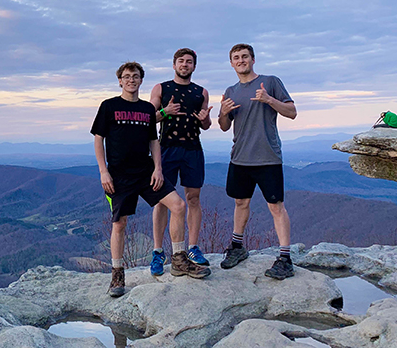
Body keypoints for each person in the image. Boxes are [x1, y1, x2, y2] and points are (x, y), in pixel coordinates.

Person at [92, 61, 210, 298]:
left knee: (178, 205)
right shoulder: (109, 106)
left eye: (135, 76)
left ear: (140, 80)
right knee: (119, 224)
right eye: (126, 77)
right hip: (119, 175)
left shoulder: (147, 110)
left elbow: (154, 141)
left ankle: (178, 259)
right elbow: (98, 138)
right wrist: (103, 171)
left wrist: (158, 168)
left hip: (146, 171)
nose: (131, 80)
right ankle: (117, 273)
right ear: (120, 81)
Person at [218, 44, 298, 280]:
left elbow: (292, 112)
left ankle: (285, 258)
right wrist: (222, 112)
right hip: (240, 157)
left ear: (253, 60)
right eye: (236, 58)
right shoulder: (230, 90)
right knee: (240, 202)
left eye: (245, 56)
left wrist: (269, 99)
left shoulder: (270, 82)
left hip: (267, 157)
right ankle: (237, 247)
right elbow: (223, 127)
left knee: (276, 207)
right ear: (231, 64)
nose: (241, 60)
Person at [148, 48, 213, 276]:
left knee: (193, 198)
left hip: (193, 148)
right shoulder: (161, 88)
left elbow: (206, 124)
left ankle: (193, 248)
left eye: (189, 62)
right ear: (174, 64)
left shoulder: (201, 92)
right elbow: (148, 118)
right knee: (161, 200)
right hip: (167, 148)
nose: (185, 65)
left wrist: (206, 120)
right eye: (181, 61)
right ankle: (158, 251)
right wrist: (164, 113)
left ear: (194, 66)